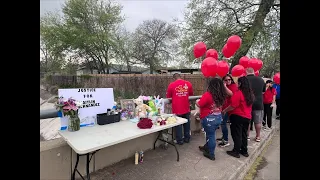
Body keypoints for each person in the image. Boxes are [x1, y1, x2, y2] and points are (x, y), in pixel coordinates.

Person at [222, 76, 255, 158]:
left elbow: (233, 105)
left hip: (237, 116)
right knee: (244, 134)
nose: (236, 84)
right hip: (247, 117)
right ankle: (244, 151)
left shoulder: (239, 93)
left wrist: (225, 110)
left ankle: (236, 151)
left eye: (237, 82)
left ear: (240, 83)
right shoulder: (250, 94)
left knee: (236, 134)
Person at [196, 77, 227, 160]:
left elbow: (199, 104)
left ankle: (211, 154)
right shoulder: (222, 95)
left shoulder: (208, 94)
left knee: (211, 135)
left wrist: (196, 101)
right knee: (210, 134)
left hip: (209, 119)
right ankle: (207, 147)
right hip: (218, 118)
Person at [166, 73, 194, 145]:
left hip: (177, 108)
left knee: (178, 125)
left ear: (174, 78)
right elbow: (191, 94)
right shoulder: (188, 84)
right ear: (180, 77)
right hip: (186, 107)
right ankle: (187, 138)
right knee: (186, 124)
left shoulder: (171, 85)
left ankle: (180, 141)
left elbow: (169, 98)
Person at [216, 74, 238, 148]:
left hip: (229, 109)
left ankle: (225, 140)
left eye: (229, 79)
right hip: (224, 108)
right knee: (222, 123)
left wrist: (224, 86)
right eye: (226, 80)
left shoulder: (233, 86)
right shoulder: (224, 87)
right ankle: (223, 137)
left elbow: (231, 94)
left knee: (223, 123)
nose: (228, 81)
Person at [246, 68, 266, 142]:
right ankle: (258, 136)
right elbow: (263, 92)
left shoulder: (244, 79)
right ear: (254, 72)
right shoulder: (261, 80)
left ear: (246, 72)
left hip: (247, 103)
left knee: (247, 120)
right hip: (258, 103)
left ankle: (247, 136)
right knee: (258, 121)